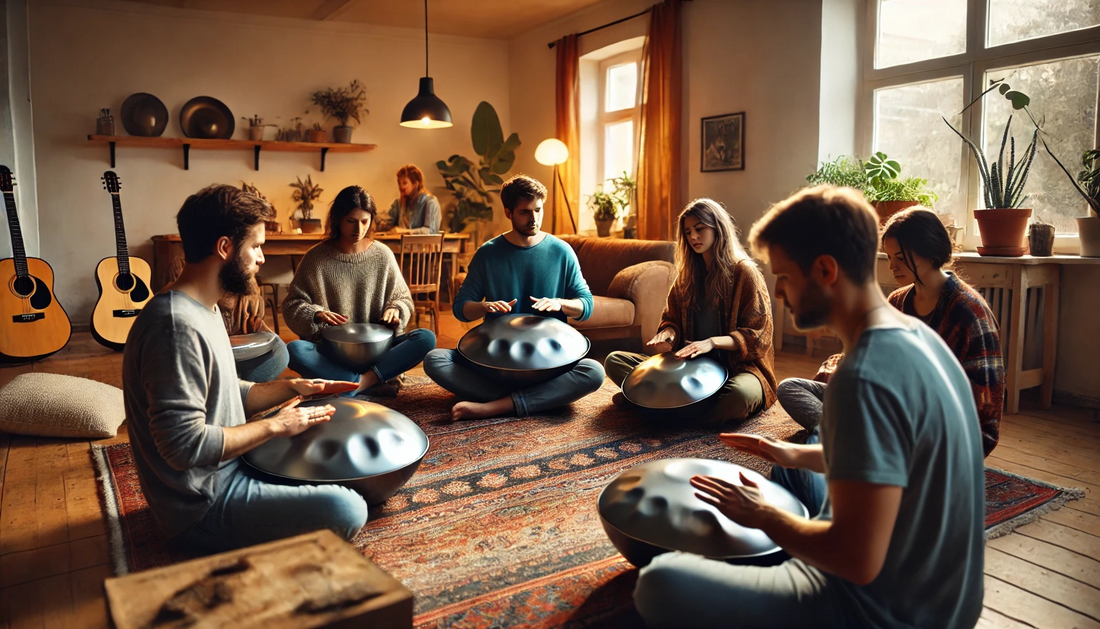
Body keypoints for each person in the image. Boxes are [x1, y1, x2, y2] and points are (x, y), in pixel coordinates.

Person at [633, 186, 985, 628]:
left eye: (783, 275)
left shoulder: (863, 375)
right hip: (950, 601)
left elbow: (856, 562)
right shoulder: (916, 336)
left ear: (824, 270)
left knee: (659, 582)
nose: (778, 291)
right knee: (792, 469)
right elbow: (898, 454)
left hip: (881, 610)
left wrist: (761, 515)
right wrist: (790, 453)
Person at [122, 184, 367, 553]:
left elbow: (225, 392)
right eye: (256, 246)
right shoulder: (174, 325)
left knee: (347, 469)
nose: (262, 258)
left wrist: (295, 389)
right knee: (348, 508)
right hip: (201, 506)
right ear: (225, 248)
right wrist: (275, 426)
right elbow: (182, 447)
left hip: (232, 467)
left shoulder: (204, 307)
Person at [778, 206, 1004, 457]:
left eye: (900, 257)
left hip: (937, 426)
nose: (892, 267)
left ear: (928, 252)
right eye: (889, 257)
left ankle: (841, 443)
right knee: (791, 388)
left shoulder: (970, 312)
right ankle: (847, 441)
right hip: (882, 408)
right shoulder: (897, 300)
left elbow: (983, 407)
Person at [423, 174, 605, 421]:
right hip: (498, 365)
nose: (534, 219)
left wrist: (560, 303)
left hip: (550, 364)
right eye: (524, 212)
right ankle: (533, 399)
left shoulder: (561, 251)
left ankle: (496, 405)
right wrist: (483, 306)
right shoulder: (487, 254)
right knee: (435, 359)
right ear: (508, 213)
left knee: (594, 371)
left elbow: (586, 305)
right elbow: (460, 308)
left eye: (538, 210)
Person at [604, 198, 776, 425]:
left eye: (700, 229)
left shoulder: (744, 272)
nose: (693, 236)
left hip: (738, 369)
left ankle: (653, 406)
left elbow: (759, 335)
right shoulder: (686, 276)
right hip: (690, 369)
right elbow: (671, 319)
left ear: (718, 228)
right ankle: (676, 408)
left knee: (739, 397)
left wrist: (713, 342)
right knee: (614, 360)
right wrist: (668, 333)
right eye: (688, 232)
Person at [282, 186, 436, 396]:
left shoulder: (383, 255)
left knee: (426, 338)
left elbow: (403, 299)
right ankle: (372, 381)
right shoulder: (315, 259)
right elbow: (292, 306)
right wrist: (316, 313)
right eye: (351, 221)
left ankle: (355, 384)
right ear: (337, 219)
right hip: (333, 351)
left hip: (378, 350)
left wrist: (396, 309)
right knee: (294, 351)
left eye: (365, 221)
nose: (358, 229)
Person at [378, 164, 442, 234]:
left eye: (404, 183)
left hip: (421, 244)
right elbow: (387, 221)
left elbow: (431, 231)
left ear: (415, 184)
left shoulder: (430, 202)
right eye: (399, 183)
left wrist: (404, 232)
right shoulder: (398, 204)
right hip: (399, 244)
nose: (401, 187)